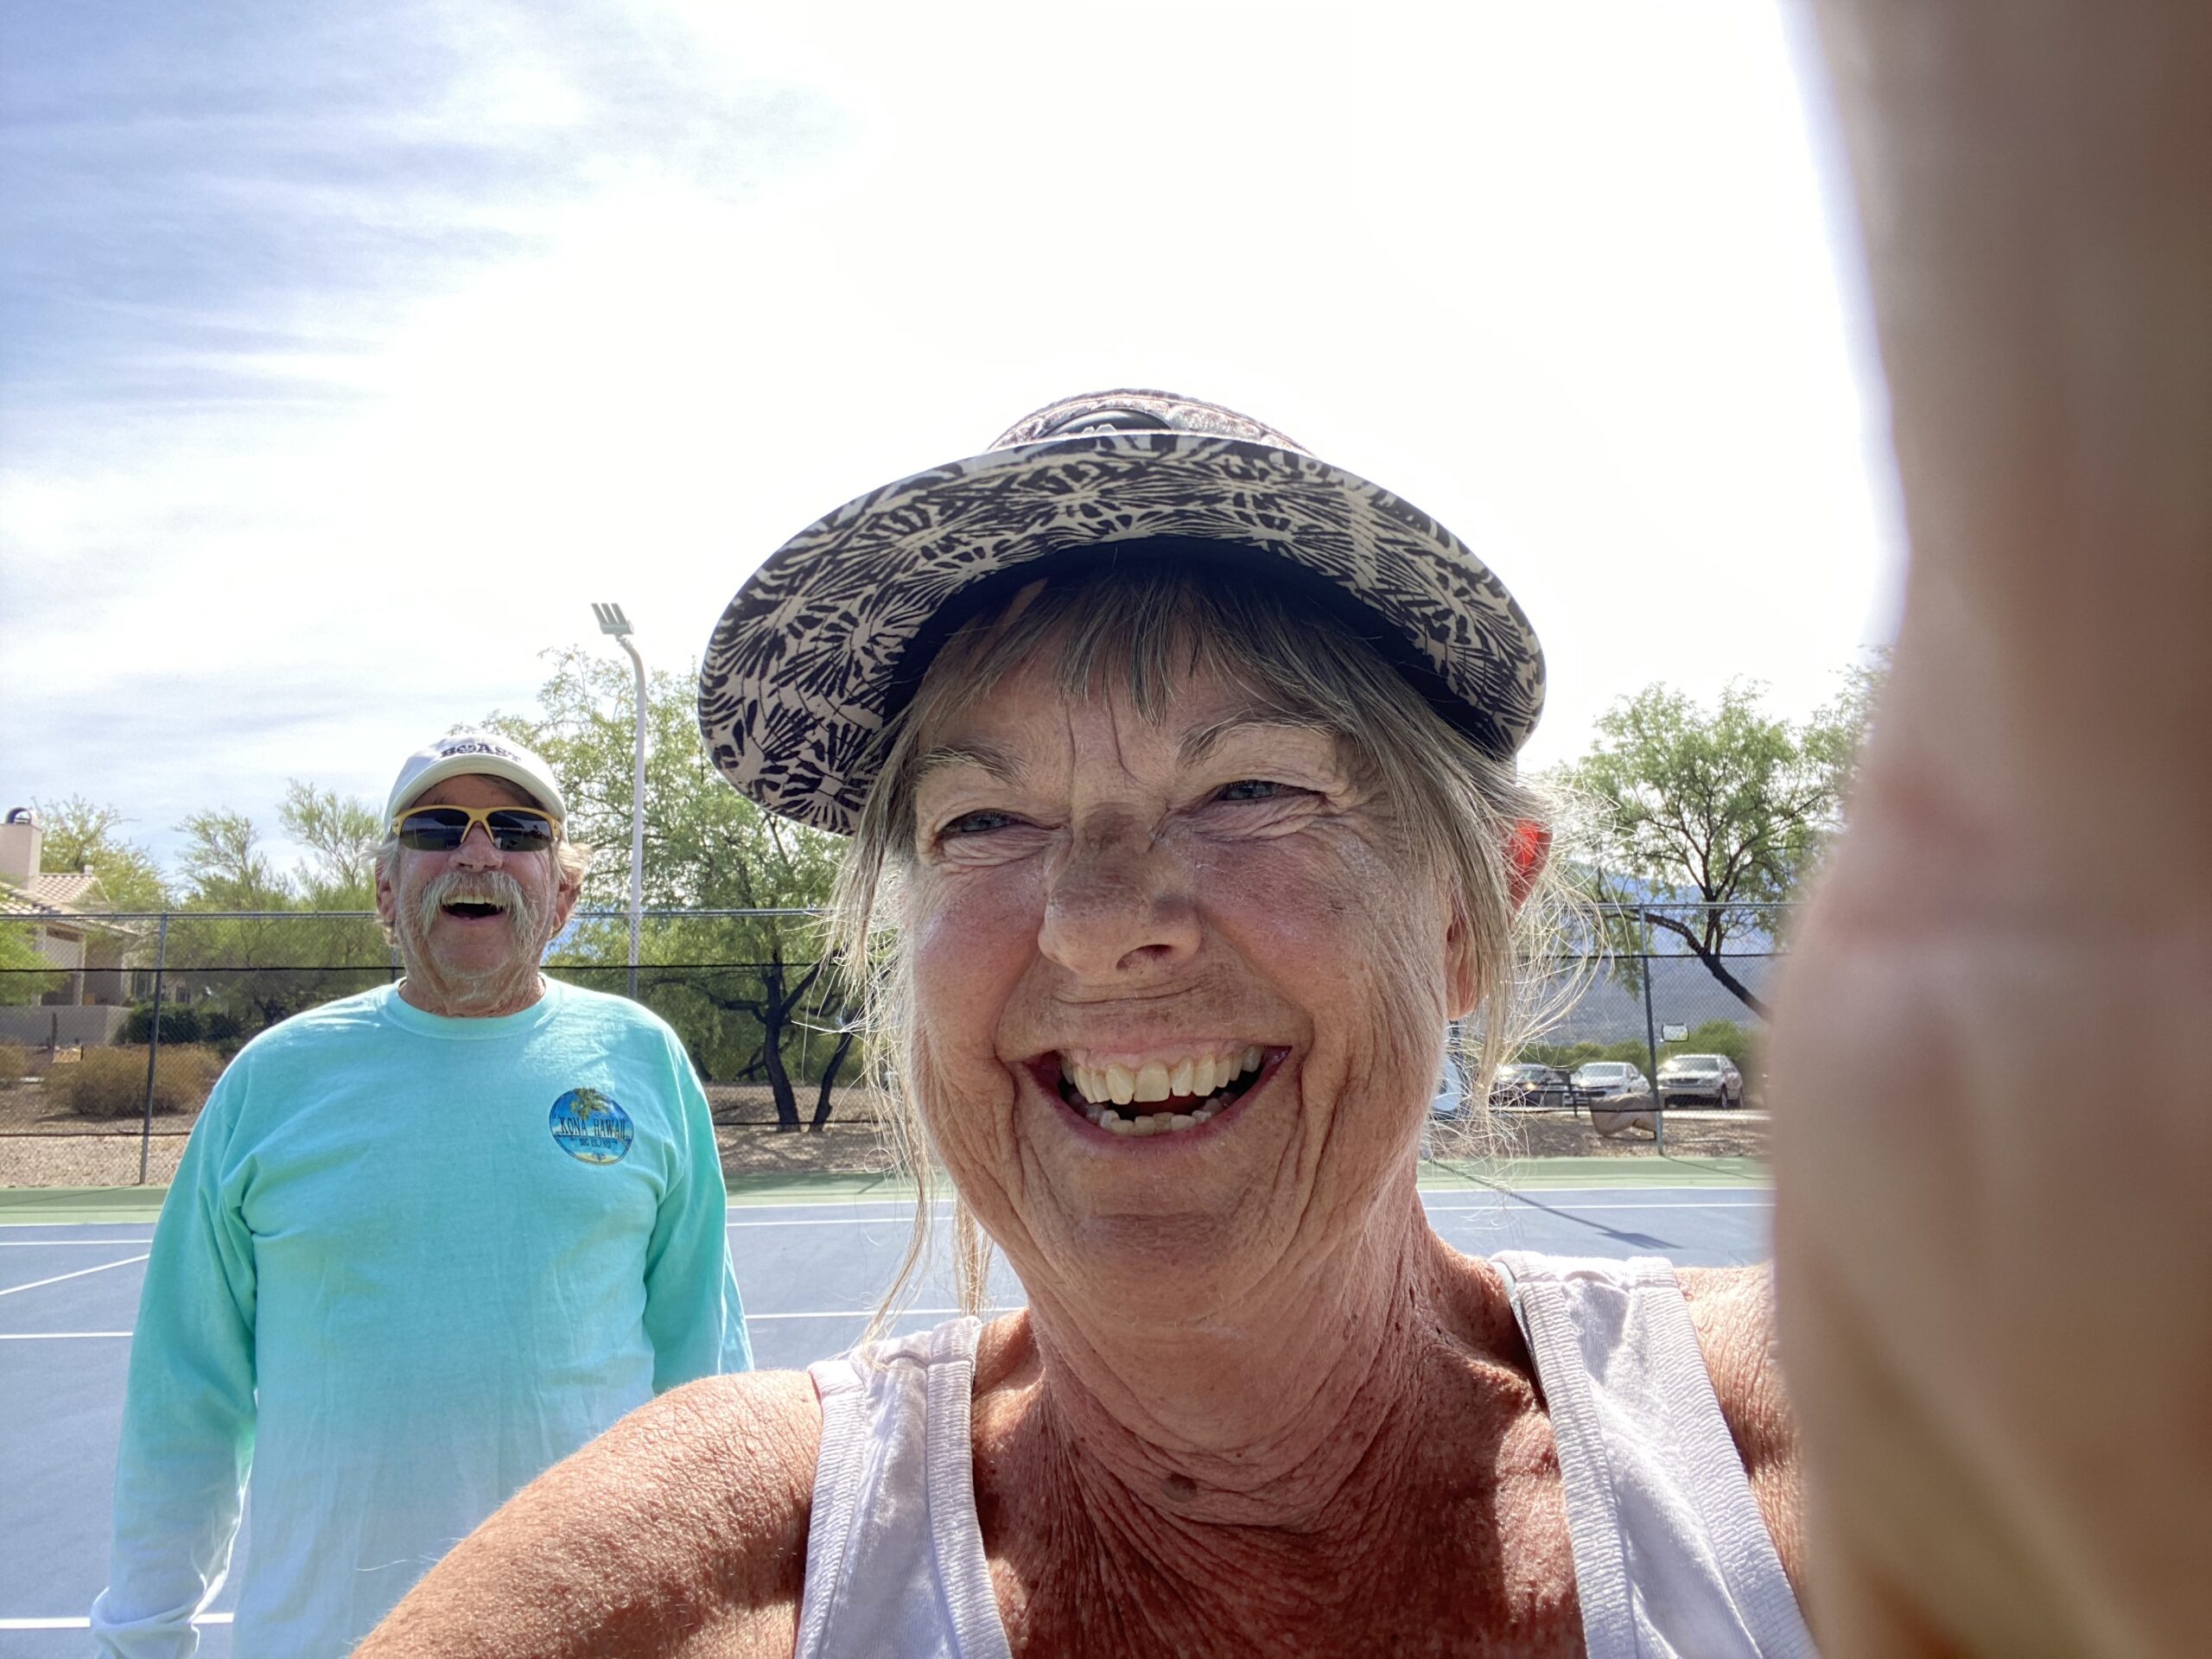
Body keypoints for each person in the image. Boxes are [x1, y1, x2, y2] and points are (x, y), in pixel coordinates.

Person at [365, 2, 2212, 1651]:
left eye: (1248, 787)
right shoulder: (689, 1581)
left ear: (1472, 918)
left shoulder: (1859, 1491)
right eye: (986, 820)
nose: (1098, 921)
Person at [92, 730, 753, 1659]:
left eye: (517, 829)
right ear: (383, 889)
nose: (475, 852)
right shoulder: (272, 1082)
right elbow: (185, 1395)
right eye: (439, 826)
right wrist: (143, 1637)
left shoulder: (642, 1061)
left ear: (562, 893)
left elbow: (705, 1375)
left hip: (599, 1634)